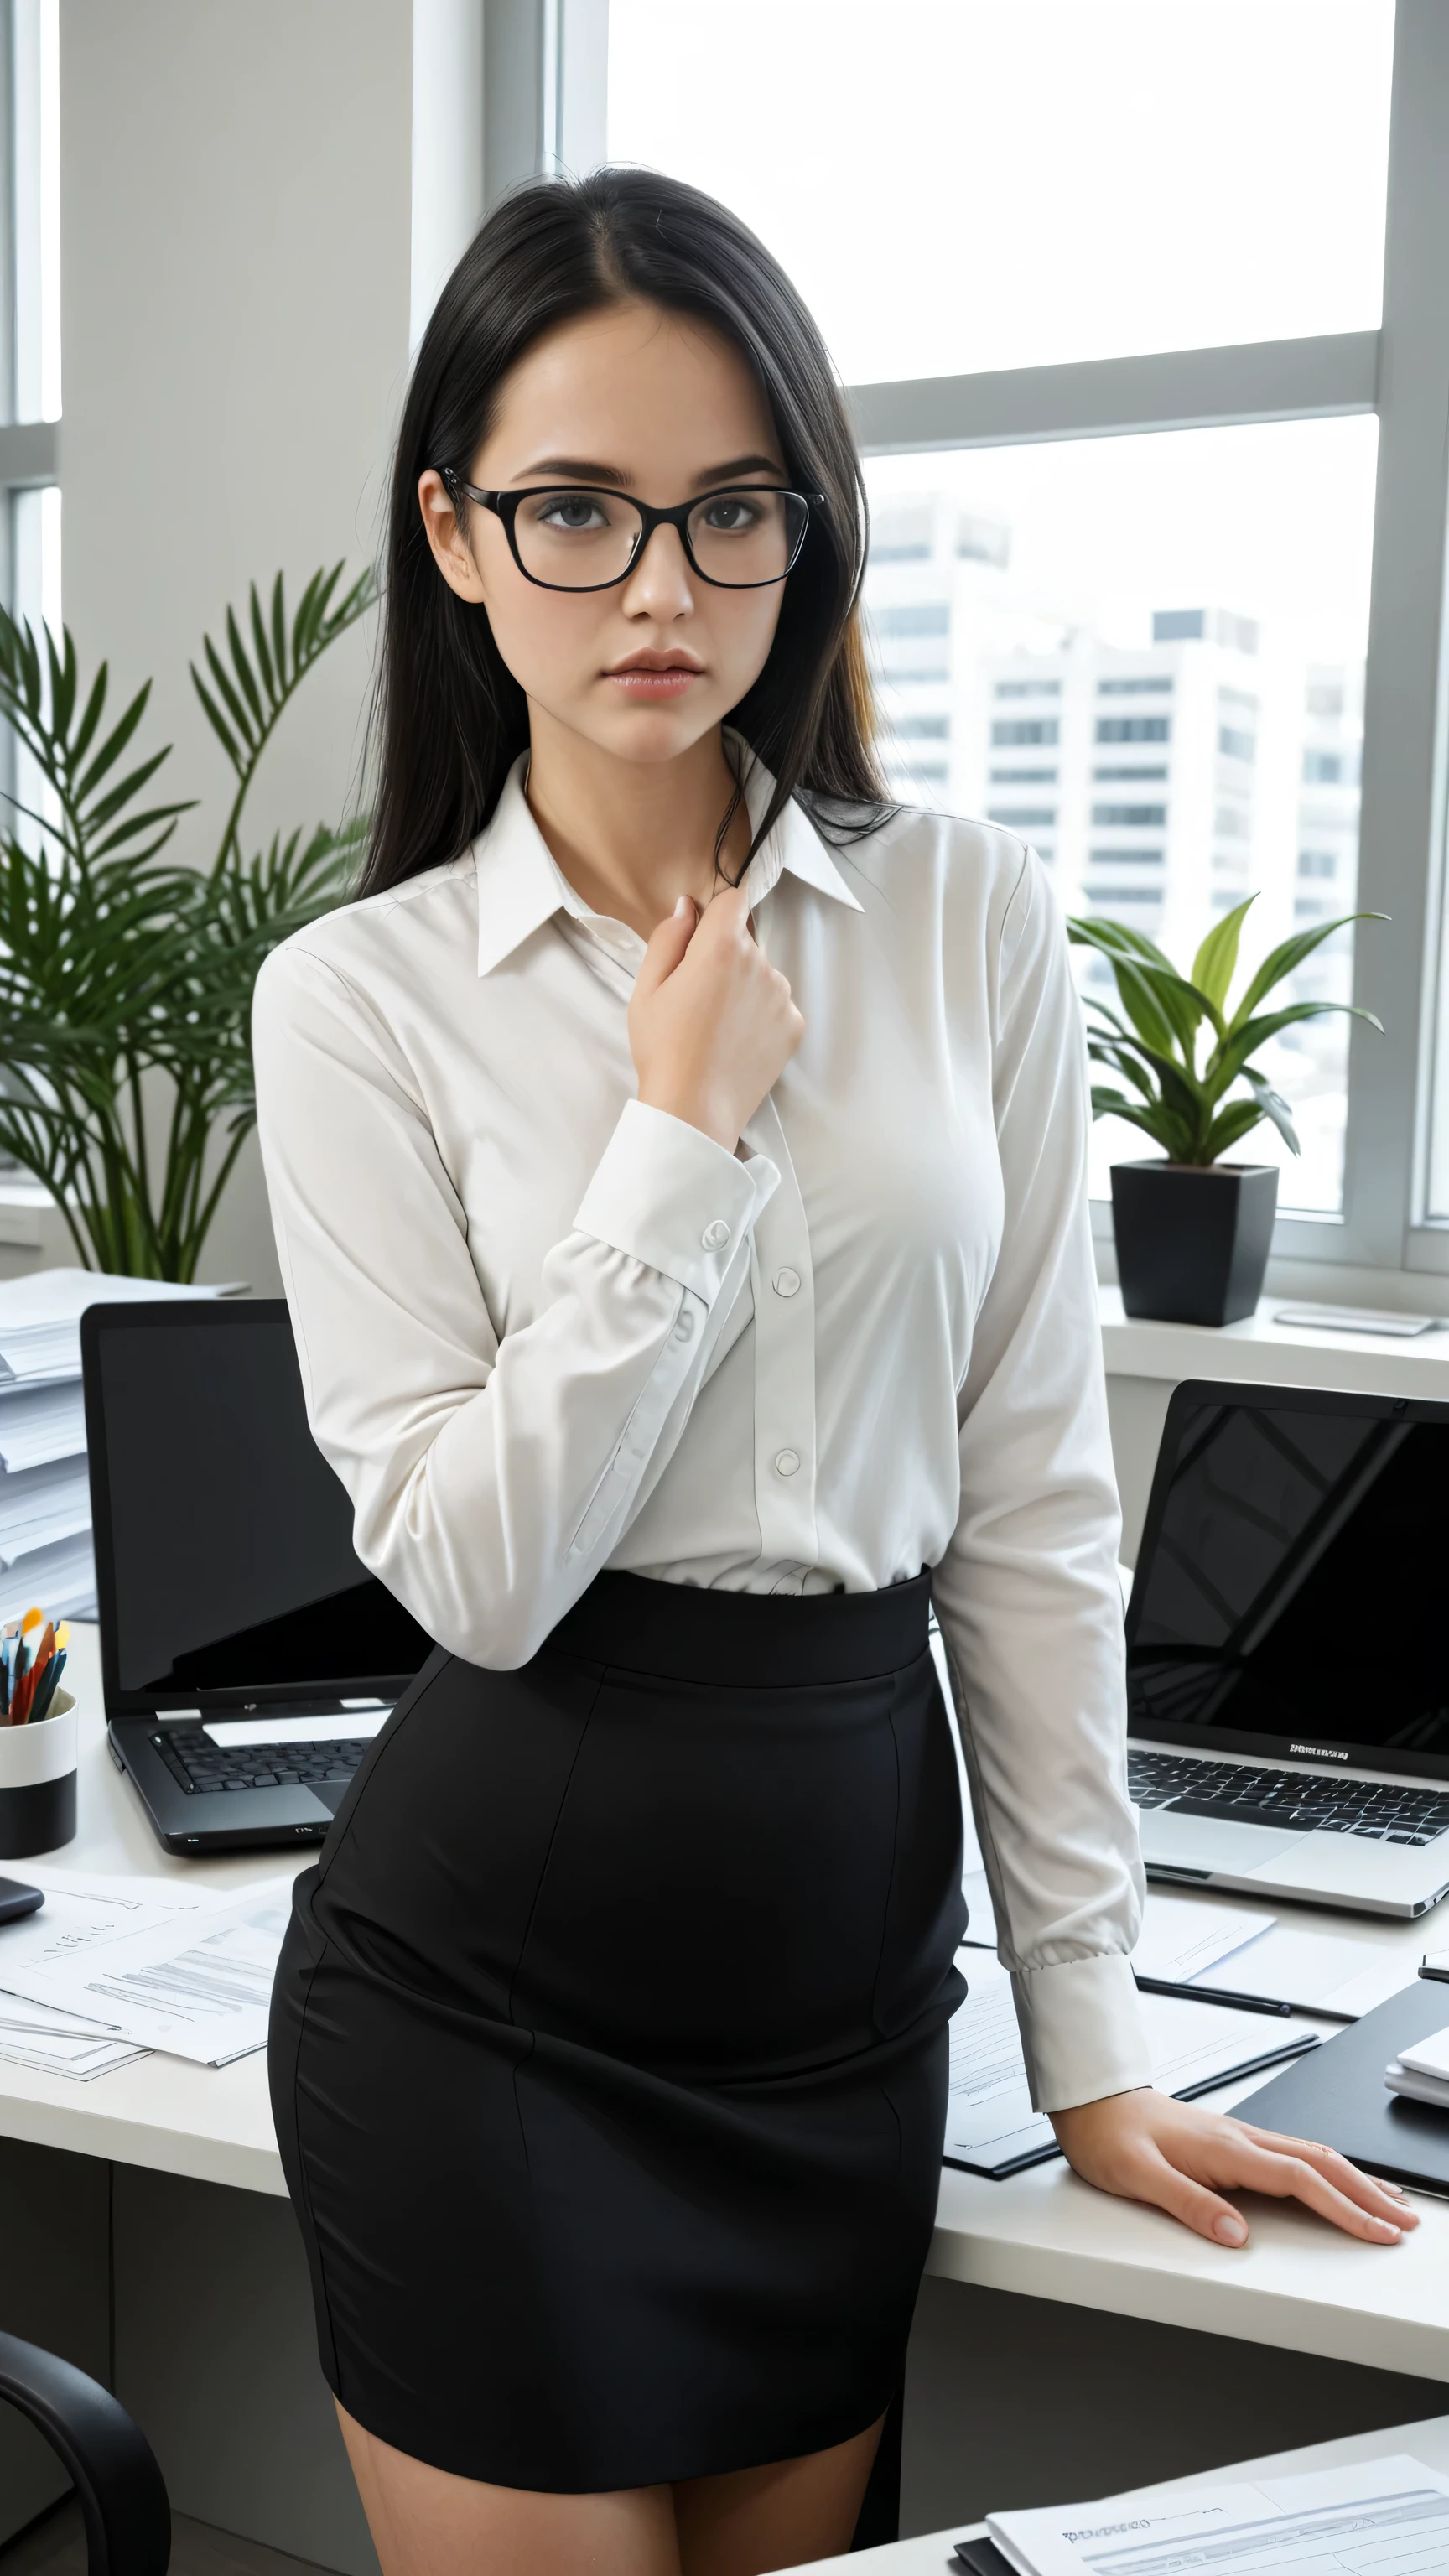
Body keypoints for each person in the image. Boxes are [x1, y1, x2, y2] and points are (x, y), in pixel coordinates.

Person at [253, 169, 1412, 2576]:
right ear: (459, 537)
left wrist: (1089, 2045)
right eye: (577, 511)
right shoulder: (360, 1001)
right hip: (486, 2005)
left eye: (729, 509)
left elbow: (1030, 1520)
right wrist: (674, 1135)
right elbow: (472, 1572)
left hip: (841, 1990)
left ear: (809, 536)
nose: (660, 586)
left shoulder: (972, 918)